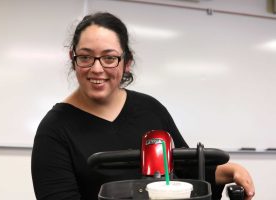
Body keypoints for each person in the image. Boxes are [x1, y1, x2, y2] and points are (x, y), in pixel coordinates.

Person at [31, 12, 255, 200]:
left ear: (127, 62)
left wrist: (232, 171)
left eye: (109, 58)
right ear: (73, 58)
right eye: (86, 57)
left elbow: (188, 171)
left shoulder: (150, 109)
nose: (97, 69)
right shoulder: (54, 130)